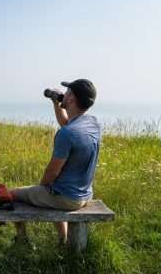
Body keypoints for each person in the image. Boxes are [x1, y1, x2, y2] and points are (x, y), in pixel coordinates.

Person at [9, 79, 101, 245]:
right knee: (55, 188)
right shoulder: (93, 123)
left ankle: (22, 239)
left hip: (67, 199)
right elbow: (67, 122)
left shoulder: (66, 134)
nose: (63, 95)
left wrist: (41, 188)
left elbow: (52, 172)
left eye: (66, 93)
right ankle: (62, 240)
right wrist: (55, 102)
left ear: (72, 99)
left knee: (12, 195)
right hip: (85, 194)